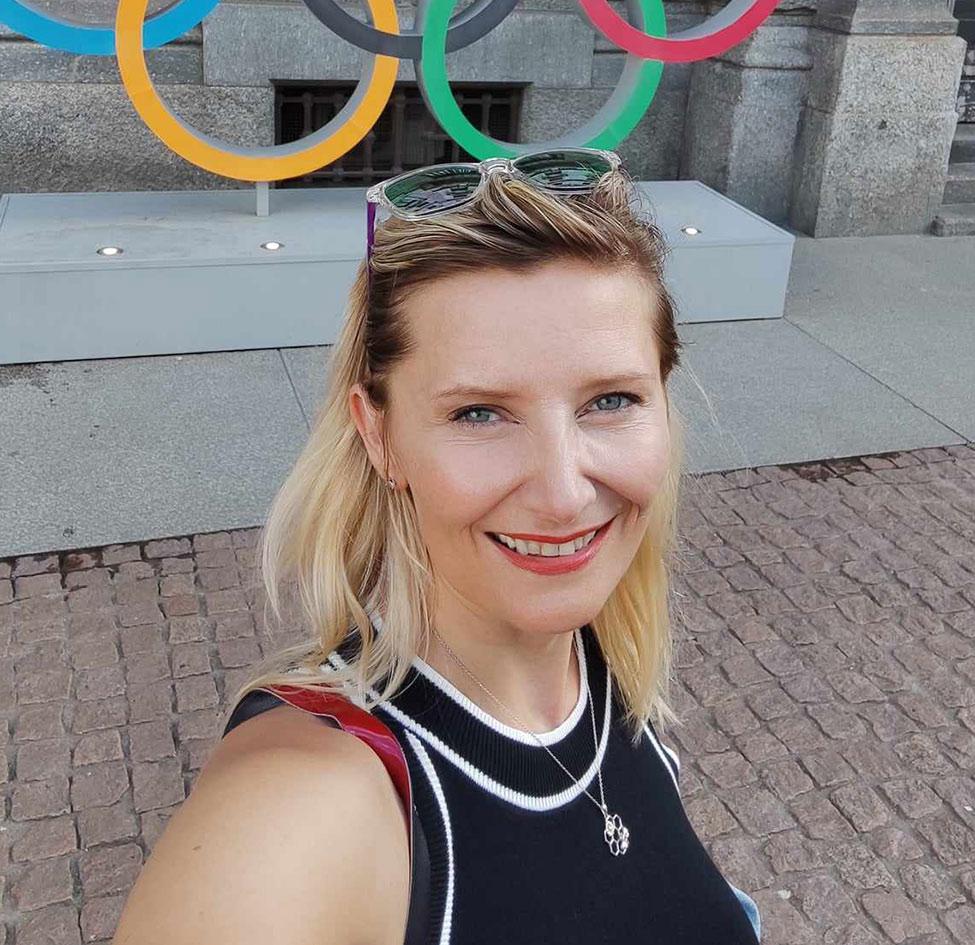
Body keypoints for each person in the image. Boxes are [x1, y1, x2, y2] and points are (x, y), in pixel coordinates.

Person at [111, 149, 762, 945]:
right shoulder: (309, 806)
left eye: (611, 399)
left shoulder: (605, 668)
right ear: (377, 434)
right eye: (480, 413)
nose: (562, 493)